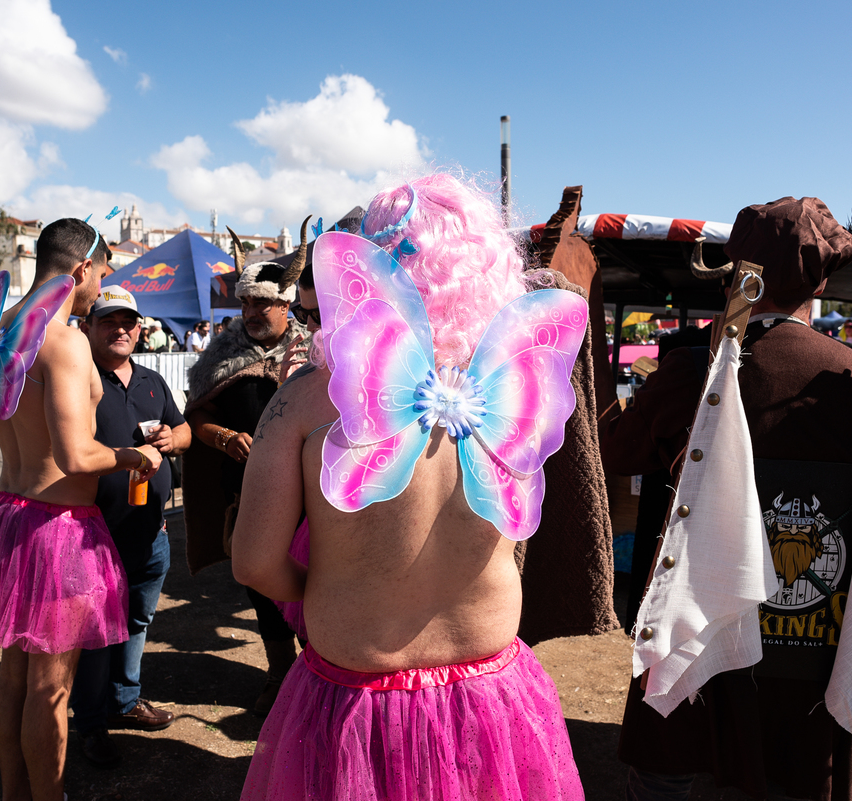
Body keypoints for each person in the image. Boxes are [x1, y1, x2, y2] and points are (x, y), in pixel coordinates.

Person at [231, 175, 586, 800]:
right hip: (492, 694)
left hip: (354, 702)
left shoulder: (308, 401)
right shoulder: (519, 396)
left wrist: (323, 591)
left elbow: (254, 561)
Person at [606, 196, 852, 801]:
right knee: (790, 768)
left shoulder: (687, 366)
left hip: (694, 619)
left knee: (670, 766)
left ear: (736, 269)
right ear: (824, 279)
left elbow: (617, 453)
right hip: (805, 626)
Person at [0, 218, 162, 801]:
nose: (100, 286)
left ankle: (13, 794)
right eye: (101, 273)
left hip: (10, 511)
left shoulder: (4, 329)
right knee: (52, 686)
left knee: (15, 676)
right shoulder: (65, 338)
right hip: (57, 529)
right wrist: (133, 455)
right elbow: (75, 455)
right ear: (79, 270)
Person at [182, 223, 309, 714]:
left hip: (312, 497)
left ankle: (317, 674)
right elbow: (199, 414)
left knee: (316, 584)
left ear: (285, 304)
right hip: (250, 494)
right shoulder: (223, 352)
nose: (251, 313)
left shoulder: (314, 351)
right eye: (246, 304)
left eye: (261, 304)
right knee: (262, 586)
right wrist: (224, 437)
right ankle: (280, 677)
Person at [71, 285, 190, 766]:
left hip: (151, 532)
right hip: (94, 536)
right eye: (109, 321)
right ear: (89, 328)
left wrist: (172, 437)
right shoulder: (79, 382)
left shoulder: (152, 381)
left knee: (137, 622)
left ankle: (125, 700)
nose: (121, 330)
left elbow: (182, 430)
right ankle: (92, 725)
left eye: (129, 322)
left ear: (140, 329)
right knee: (97, 634)